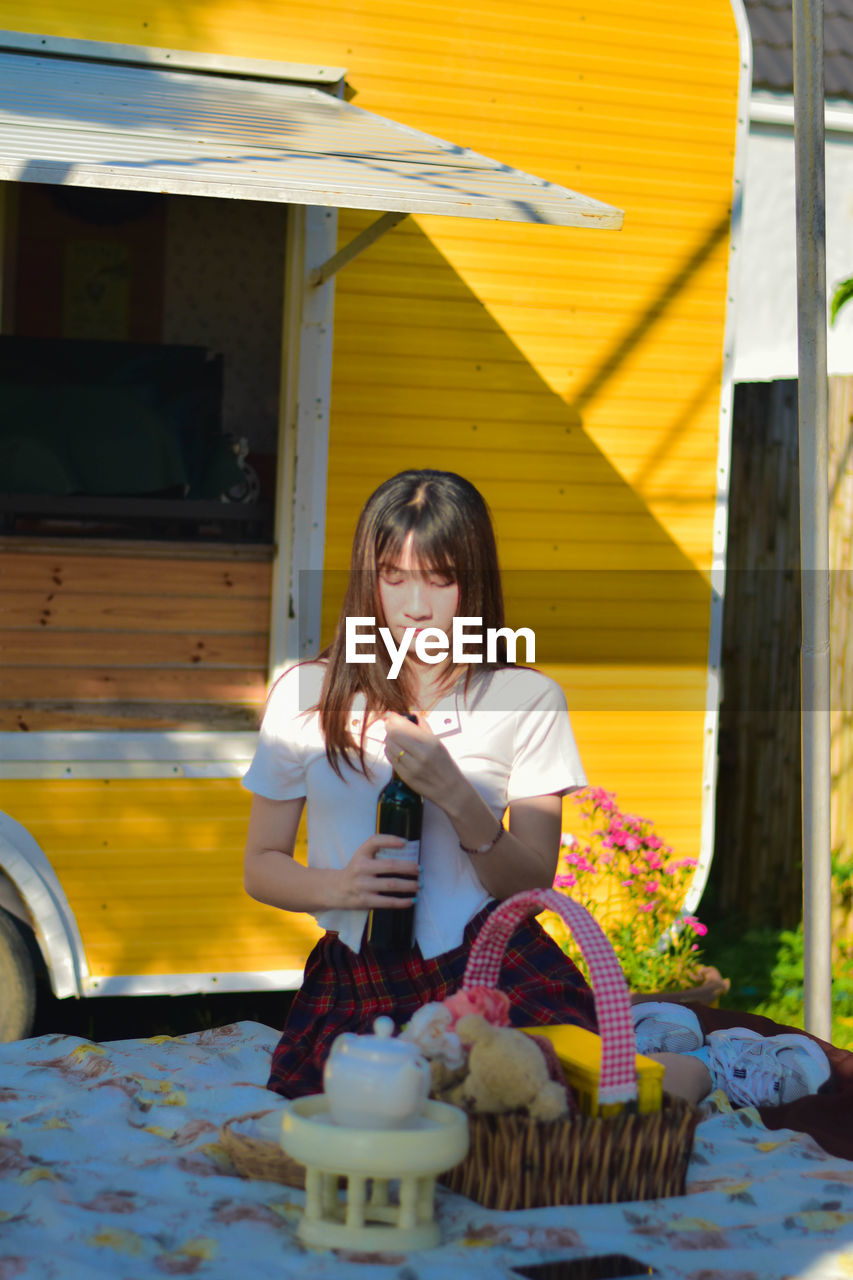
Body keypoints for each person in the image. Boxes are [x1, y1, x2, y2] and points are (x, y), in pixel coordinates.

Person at [242, 468, 598, 1097]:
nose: (414, 605)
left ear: (475, 580)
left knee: (544, 1096)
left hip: (493, 967)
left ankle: (713, 1070)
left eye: (440, 579)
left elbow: (533, 880)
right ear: (367, 578)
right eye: (394, 576)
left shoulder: (528, 698)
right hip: (360, 976)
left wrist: (457, 795)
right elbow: (261, 865)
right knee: (361, 1118)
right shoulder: (305, 692)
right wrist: (339, 885)